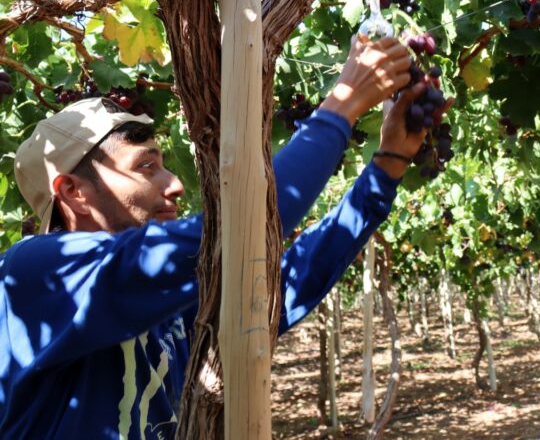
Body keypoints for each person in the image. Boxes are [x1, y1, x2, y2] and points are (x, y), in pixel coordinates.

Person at [0, 35, 426, 439]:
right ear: (73, 192)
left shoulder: (156, 300)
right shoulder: (37, 275)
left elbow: (281, 286)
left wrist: (389, 164)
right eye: (146, 167)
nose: (175, 184)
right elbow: (238, 229)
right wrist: (342, 107)